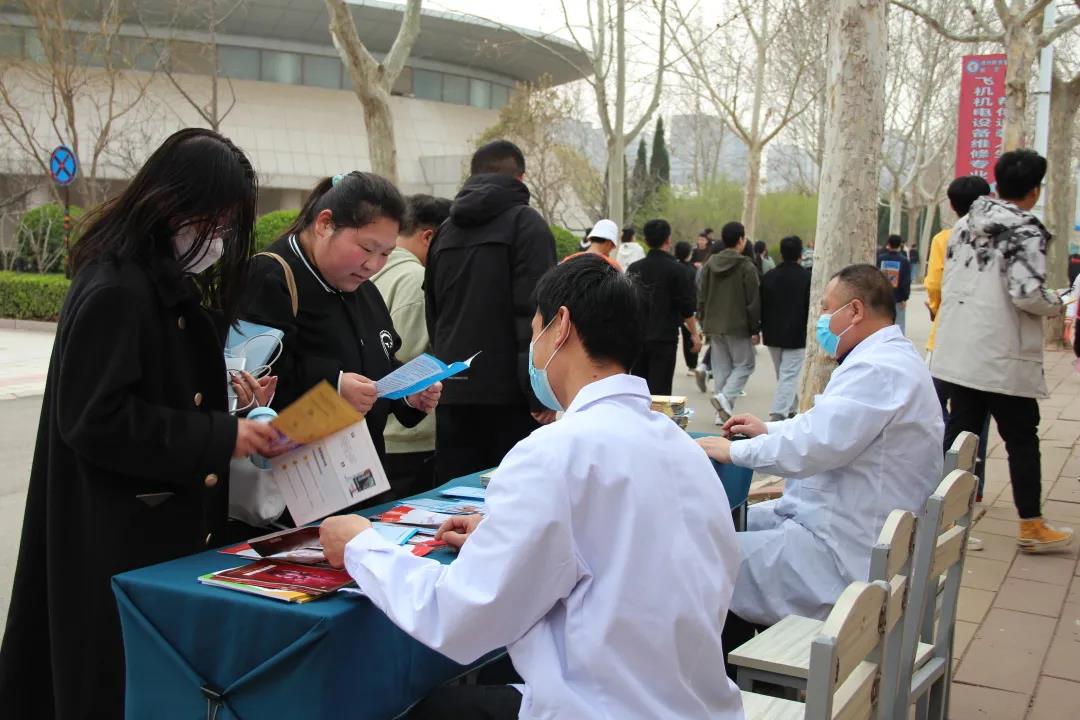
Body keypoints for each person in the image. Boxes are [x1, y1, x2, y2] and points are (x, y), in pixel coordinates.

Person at [319, 255, 744, 719]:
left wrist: (362, 546)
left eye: (534, 331)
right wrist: (504, 535)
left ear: (560, 326)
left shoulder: (554, 452)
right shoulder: (682, 447)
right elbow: (619, 546)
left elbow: (459, 618)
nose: (532, 350)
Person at [0, 128, 284, 717]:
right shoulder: (119, 288)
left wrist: (228, 416)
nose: (219, 239)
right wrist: (222, 435)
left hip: (146, 531)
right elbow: (95, 418)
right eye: (215, 221)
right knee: (110, 685)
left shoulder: (151, 281)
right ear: (173, 204)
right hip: (117, 536)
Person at [698, 264, 943, 654]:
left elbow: (813, 446)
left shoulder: (877, 369)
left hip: (846, 559)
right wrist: (768, 430)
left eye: (828, 309)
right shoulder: (887, 359)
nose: (822, 320)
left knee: (707, 557)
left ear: (855, 311)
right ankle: (746, 663)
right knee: (715, 527)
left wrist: (735, 451)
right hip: (851, 528)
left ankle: (731, 674)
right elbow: (824, 426)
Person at [242, 172, 442, 493]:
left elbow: (379, 363)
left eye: (385, 253)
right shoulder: (269, 276)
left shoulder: (364, 289)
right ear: (325, 224)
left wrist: (408, 393)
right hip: (295, 486)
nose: (373, 265)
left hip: (360, 478)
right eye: (366, 248)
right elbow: (249, 379)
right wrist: (333, 385)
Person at [932, 149, 1074, 552]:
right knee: (1022, 438)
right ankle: (1031, 524)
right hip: (1000, 355)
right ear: (1034, 191)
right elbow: (1027, 294)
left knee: (960, 438)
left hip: (958, 350)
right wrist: (1058, 301)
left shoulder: (965, 224)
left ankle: (943, 524)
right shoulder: (1025, 231)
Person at [425, 140, 556, 482]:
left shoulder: (445, 231)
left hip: (453, 390)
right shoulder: (527, 225)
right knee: (514, 495)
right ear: (521, 177)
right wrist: (539, 392)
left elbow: (434, 313)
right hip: (510, 397)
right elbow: (535, 316)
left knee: (453, 498)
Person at [371, 194, 452, 498]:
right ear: (429, 237)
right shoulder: (416, 278)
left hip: (378, 430)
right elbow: (408, 360)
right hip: (407, 437)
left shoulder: (371, 272)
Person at [925, 176, 993, 509]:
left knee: (933, 408)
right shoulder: (998, 238)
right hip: (983, 341)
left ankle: (940, 481)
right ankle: (972, 484)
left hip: (945, 339)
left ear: (952, 206)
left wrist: (937, 309)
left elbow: (934, 285)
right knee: (977, 416)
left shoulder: (945, 238)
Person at [627, 219, 701, 395]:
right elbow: (686, 307)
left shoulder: (634, 268)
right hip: (665, 338)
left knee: (638, 391)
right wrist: (694, 333)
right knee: (661, 391)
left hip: (638, 338)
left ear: (646, 241)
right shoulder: (677, 270)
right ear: (668, 239)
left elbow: (626, 303)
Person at [699, 221, 760, 423]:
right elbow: (752, 301)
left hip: (713, 324)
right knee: (746, 364)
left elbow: (701, 294)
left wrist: (703, 320)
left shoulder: (710, 264)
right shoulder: (746, 266)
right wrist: (755, 328)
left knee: (721, 368)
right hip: (738, 324)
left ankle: (721, 413)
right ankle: (725, 398)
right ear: (741, 240)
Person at [761, 236, 811, 421]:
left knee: (783, 374)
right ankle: (778, 413)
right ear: (800, 254)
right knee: (788, 375)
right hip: (797, 335)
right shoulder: (807, 278)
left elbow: (762, 305)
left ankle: (790, 408)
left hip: (772, 334)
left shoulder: (769, 276)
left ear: (781, 254)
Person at [674, 240, 700, 372]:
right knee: (689, 335)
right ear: (689, 254)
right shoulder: (693, 270)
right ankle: (692, 365)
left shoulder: (673, 267)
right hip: (690, 306)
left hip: (674, 308)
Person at [877, 234, 912, 333]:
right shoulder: (904, 261)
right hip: (898, 297)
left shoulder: (881, 259)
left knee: (883, 325)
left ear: (888, 244)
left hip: (883, 297)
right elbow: (906, 281)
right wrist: (904, 298)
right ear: (900, 245)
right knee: (899, 326)